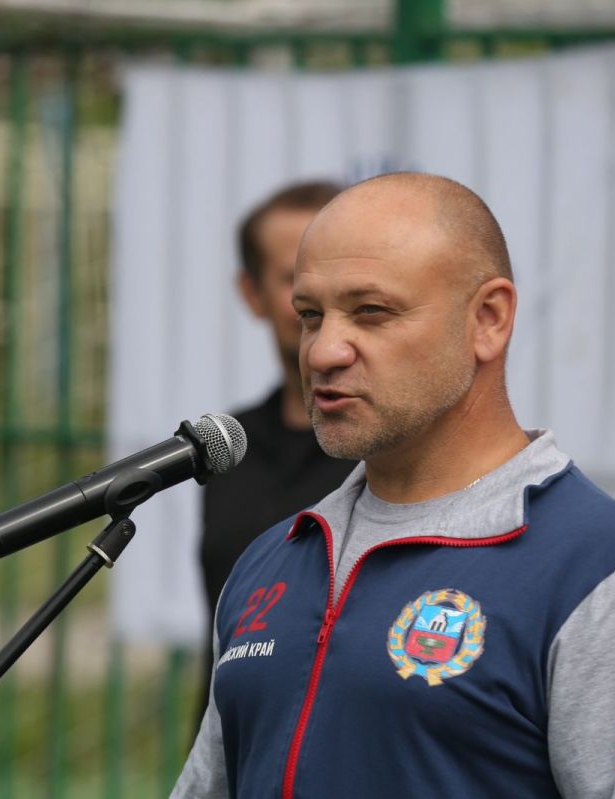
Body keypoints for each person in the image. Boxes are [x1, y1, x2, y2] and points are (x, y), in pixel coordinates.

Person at [174, 172, 615, 797]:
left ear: (488, 319)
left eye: (371, 312)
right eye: (310, 315)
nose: (324, 351)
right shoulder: (272, 558)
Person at [195, 181, 356, 728]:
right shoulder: (225, 444)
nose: (322, 306)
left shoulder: (391, 453)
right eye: (297, 281)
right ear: (252, 292)